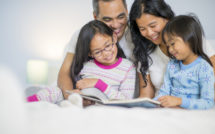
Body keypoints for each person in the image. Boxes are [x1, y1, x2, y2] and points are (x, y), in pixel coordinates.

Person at [27, 20, 136, 103]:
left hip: (104, 103)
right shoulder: (87, 66)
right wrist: (75, 94)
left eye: (108, 45)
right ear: (90, 53)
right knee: (55, 91)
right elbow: (76, 87)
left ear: (114, 37)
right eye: (98, 52)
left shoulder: (127, 68)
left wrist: (99, 84)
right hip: (81, 102)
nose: (106, 53)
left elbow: (126, 100)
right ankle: (26, 102)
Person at [129, 0, 215, 99]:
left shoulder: (192, 40)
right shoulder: (145, 55)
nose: (149, 33)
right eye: (142, 29)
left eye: (153, 26)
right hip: (161, 109)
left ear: (167, 18)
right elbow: (146, 95)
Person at [58, 0, 135, 102]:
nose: (116, 25)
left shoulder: (138, 36)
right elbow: (65, 73)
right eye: (107, 19)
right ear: (95, 17)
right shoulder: (83, 36)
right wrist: (73, 99)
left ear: (127, 11)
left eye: (121, 17)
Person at [153, 14, 214, 109]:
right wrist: (153, 101)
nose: (170, 50)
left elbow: (208, 103)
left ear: (190, 38)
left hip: (190, 114)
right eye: (168, 46)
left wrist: (179, 101)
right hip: (169, 112)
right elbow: (164, 92)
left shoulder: (204, 68)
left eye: (172, 43)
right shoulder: (172, 65)